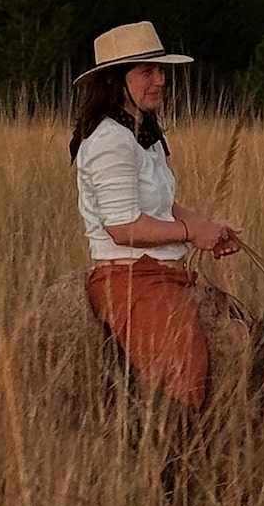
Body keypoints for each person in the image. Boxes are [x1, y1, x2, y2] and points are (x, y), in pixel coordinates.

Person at [70, 21, 240, 412]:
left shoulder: (143, 133)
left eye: (161, 71)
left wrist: (208, 228)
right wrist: (190, 233)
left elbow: (165, 206)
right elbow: (123, 227)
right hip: (129, 278)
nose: (160, 80)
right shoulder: (109, 140)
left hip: (163, 275)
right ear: (115, 80)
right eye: (147, 72)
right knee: (186, 371)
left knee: (241, 332)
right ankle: (173, 448)